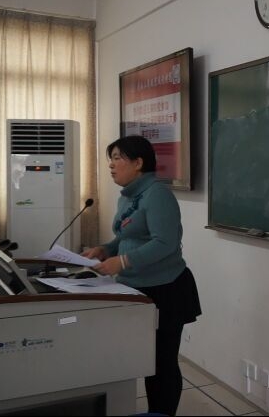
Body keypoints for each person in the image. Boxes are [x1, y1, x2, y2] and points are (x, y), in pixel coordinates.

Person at [83, 135, 201, 416]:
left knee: (161, 364)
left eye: (118, 158)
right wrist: (106, 249)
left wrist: (123, 261)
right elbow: (128, 236)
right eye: (110, 159)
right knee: (143, 359)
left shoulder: (158, 195)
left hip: (165, 290)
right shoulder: (128, 196)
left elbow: (165, 243)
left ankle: (161, 413)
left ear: (138, 163)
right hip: (136, 289)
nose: (111, 165)